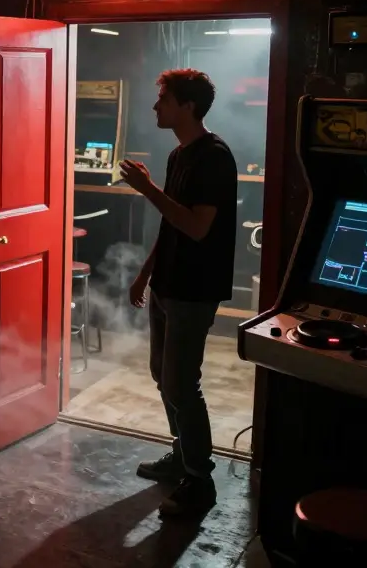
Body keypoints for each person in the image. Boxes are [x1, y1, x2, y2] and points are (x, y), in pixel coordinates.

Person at [120, 68, 238, 518]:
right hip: (168, 283)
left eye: (163, 99)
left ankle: (199, 479)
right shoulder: (178, 155)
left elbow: (196, 225)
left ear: (187, 106)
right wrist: (146, 273)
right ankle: (182, 454)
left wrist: (147, 189)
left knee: (181, 382)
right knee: (162, 374)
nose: (155, 107)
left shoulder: (215, 157)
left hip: (195, 288)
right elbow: (172, 222)